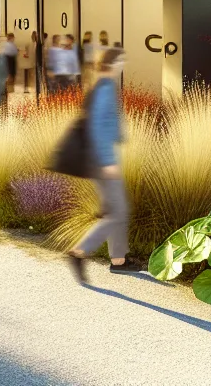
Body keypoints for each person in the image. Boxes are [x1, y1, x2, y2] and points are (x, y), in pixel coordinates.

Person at [68, 48, 138, 280]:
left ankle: (119, 260)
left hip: (100, 157)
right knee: (118, 212)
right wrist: (108, 161)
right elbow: (97, 127)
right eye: (120, 61)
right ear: (111, 63)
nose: (123, 64)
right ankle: (79, 252)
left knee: (115, 210)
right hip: (103, 160)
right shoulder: (105, 88)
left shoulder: (102, 86)